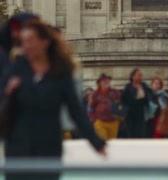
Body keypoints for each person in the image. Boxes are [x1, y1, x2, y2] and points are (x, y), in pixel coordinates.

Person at [1, 20, 106, 180]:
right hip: (18, 146)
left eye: (30, 41)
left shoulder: (60, 73)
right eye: (23, 42)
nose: (26, 46)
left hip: (48, 147)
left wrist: (96, 142)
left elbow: (76, 111)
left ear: (45, 42)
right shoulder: (17, 68)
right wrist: (9, 92)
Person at [88, 74, 121, 141]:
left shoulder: (116, 92)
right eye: (103, 80)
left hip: (114, 122)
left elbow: (121, 105)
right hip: (100, 123)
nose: (106, 82)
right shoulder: (95, 94)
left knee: (112, 144)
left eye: (107, 80)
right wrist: (93, 119)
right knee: (103, 142)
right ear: (99, 83)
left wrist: (120, 117)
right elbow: (90, 108)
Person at [121, 69, 153, 138]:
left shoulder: (144, 86)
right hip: (130, 114)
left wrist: (142, 91)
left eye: (141, 75)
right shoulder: (128, 87)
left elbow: (149, 96)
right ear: (133, 77)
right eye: (138, 75)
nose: (140, 77)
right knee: (131, 134)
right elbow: (124, 99)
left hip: (141, 113)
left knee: (141, 133)